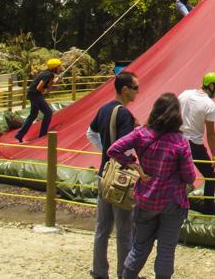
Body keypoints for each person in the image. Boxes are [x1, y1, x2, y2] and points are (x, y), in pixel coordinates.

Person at [108, 93, 195, 279]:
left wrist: (134, 165)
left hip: (146, 199)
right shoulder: (181, 142)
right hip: (173, 201)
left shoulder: (141, 134)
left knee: (139, 247)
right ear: (177, 115)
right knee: (166, 250)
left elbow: (113, 149)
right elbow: (189, 176)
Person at [87, 71, 140, 279]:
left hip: (103, 174)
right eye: (136, 87)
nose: (138, 92)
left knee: (102, 228)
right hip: (121, 180)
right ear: (125, 89)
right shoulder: (124, 114)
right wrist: (129, 162)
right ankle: (125, 273)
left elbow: (90, 133)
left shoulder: (103, 108)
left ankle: (99, 271)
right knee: (124, 229)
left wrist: (105, 151)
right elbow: (125, 147)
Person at [178, 72, 215, 215]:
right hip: (194, 144)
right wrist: (214, 154)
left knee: (177, 175)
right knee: (210, 176)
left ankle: (176, 207)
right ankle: (209, 211)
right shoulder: (210, 104)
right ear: (211, 85)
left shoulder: (184, 94)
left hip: (176, 140)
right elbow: (210, 133)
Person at [14, 58, 63, 143]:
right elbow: (39, 87)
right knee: (48, 112)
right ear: (54, 67)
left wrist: (57, 81)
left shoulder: (48, 74)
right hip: (35, 95)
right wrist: (44, 91)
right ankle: (43, 134)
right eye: (59, 66)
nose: (60, 68)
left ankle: (19, 135)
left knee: (33, 115)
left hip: (33, 94)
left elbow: (48, 88)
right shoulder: (48, 75)